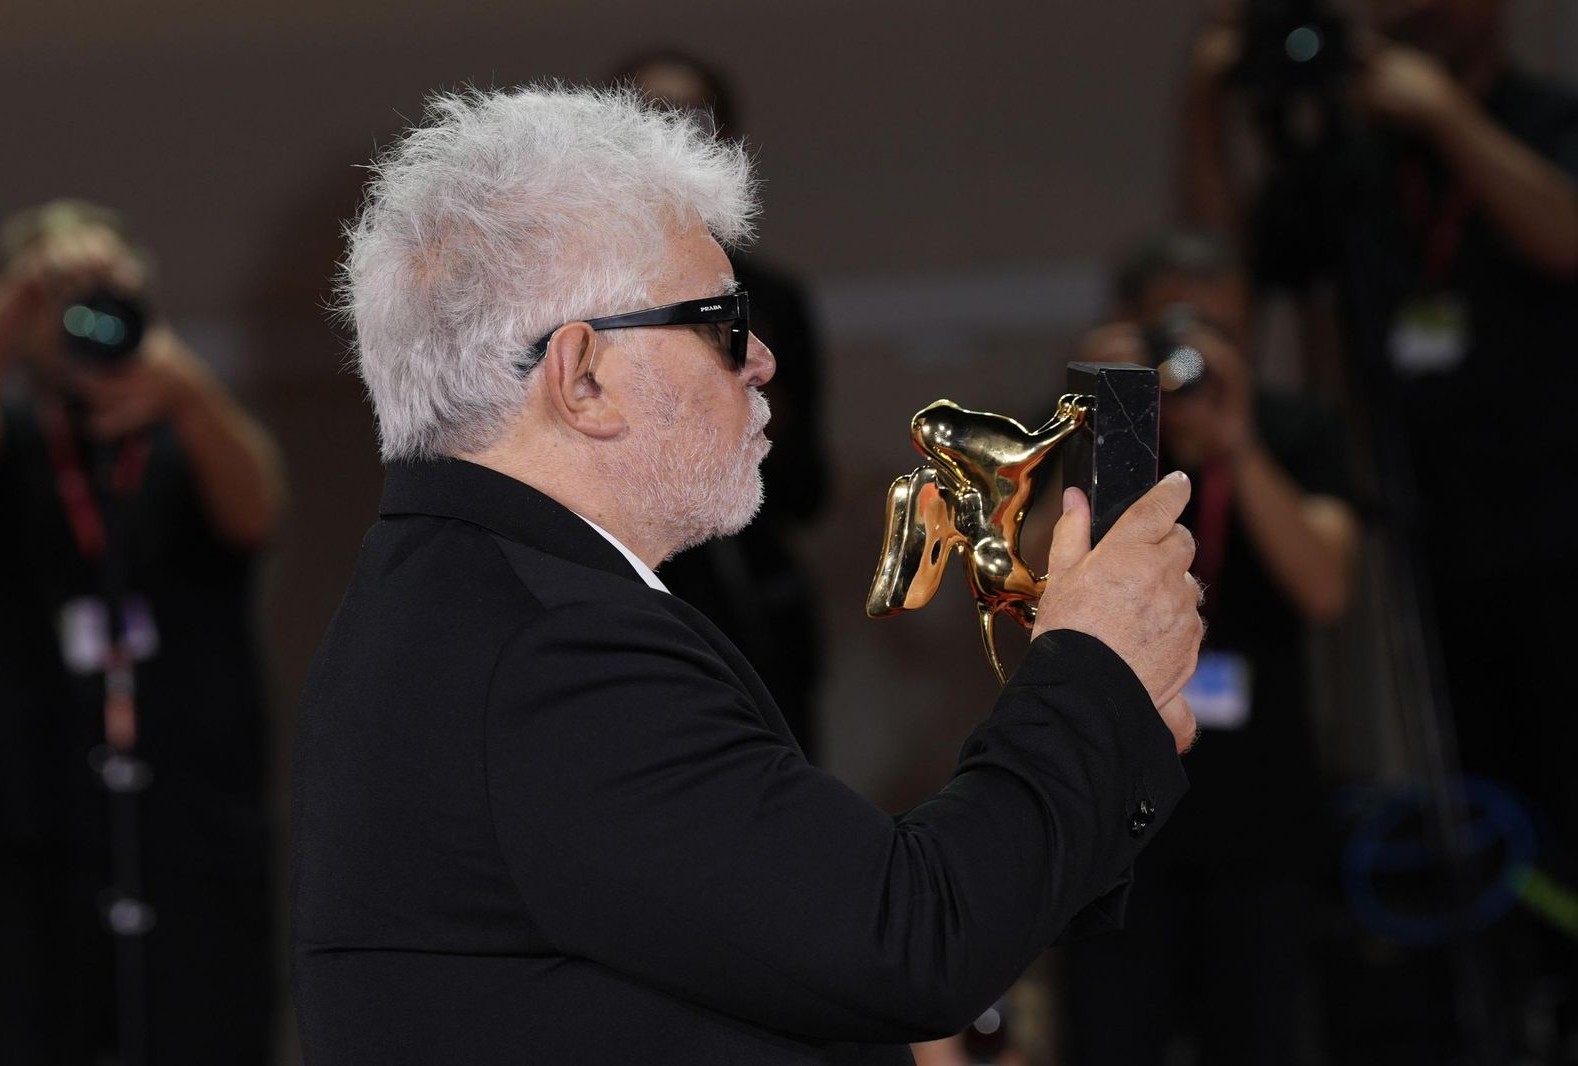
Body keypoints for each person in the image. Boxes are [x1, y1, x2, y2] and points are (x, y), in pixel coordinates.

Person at [290, 86, 1203, 1065]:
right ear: (582, 375)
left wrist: (1101, 727)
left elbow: (791, 948)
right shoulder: (555, 647)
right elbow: (906, 941)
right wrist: (1092, 670)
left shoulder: (469, 596)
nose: (761, 360)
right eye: (723, 321)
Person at [1183, 0, 1578, 1054]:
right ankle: (1516, 1005)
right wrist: (1203, 105)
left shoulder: (1540, 116)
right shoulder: (1355, 159)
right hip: (1431, 534)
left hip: (1557, 524)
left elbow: (1562, 233)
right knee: (1478, 797)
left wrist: (1448, 117)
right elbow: (1224, 269)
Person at [0, 200, 284, 1063]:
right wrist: (23, 287)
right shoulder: (9, 445)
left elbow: (258, 509)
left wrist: (184, 385)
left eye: (108, 292)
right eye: (61, 299)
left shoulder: (185, 433)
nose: (85, 314)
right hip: (25, 836)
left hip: (191, 834)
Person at [1061, 228, 1359, 1066]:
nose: (1203, 352)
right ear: (1131, 323)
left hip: (1261, 819)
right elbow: (1035, 583)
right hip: (1121, 821)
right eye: (1181, 330)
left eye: (1226, 330)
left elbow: (1327, 587)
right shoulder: (1104, 439)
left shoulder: (1296, 430)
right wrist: (1099, 417)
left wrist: (1236, 446)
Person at [621, 50, 832, 758]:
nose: (673, 135)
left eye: (692, 118)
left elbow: (807, 489)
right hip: (639, 606)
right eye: (651, 116)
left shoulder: (772, 299)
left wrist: (752, 396)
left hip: (758, 610)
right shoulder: (584, 296)